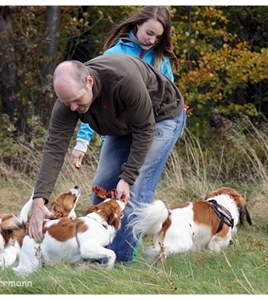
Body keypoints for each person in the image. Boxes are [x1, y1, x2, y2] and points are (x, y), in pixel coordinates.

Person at [28, 53, 187, 264]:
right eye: (68, 103)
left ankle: (119, 267)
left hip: (160, 118)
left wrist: (127, 177)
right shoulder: (68, 101)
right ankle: (96, 258)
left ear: (89, 82)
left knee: (131, 194)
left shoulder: (123, 81)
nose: (73, 108)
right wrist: (39, 201)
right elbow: (54, 149)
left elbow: (145, 129)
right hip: (122, 124)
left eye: (76, 101)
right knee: (102, 186)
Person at [73, 6, 179, 162]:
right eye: (149, 33)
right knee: (105, 184)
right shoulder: (114, 55)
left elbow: (169, 100)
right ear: (137, 24)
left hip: (146, 135)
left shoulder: (162, 61)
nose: (152, 40)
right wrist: (82, 141)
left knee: (135, 182)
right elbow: (92, 100)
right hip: (116, 133)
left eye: (158, 37)